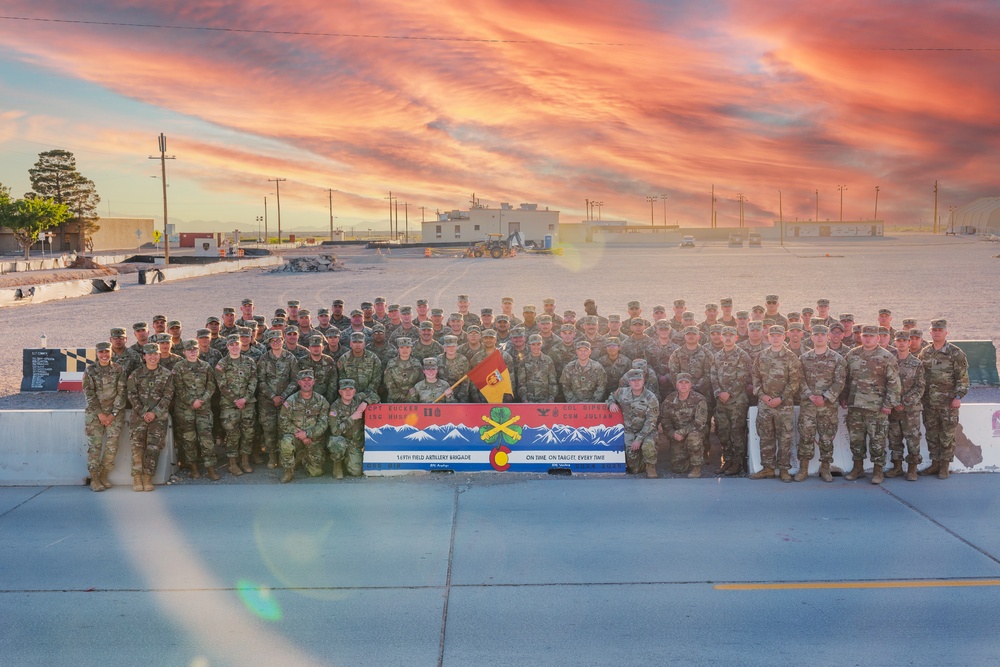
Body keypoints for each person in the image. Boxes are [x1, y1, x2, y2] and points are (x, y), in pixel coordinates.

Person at [842, 325, 901, 484]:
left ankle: (878, 471)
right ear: (861, 336)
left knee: (877, 441)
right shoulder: (852, 355)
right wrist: (844, 397)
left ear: (878, 338)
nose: (867, 338)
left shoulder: (886, 357)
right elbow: (846, 379)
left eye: (871, 336)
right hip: (855, 407)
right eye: (865, 335)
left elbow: (894, 384)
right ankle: (858, 468)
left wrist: (888, 404)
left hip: (877, 408)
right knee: (856, 440)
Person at [917, 319, 969, 479]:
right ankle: (935, 464)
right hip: (929, 402)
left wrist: (958, 396)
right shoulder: (925, 352)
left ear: (946, 333)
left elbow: (963, 378)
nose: (937, 332)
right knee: (932, 434)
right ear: (931, 333)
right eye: (934, 330)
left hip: (948, 403)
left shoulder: (956, 353)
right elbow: (919, 377)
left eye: (940, 330)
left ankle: (945, 466)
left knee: (947, 435)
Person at [750, 325, 802, 482]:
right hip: (765, 404)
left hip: (784, 405)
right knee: (766, 437)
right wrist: (762, 395)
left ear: (783, 337)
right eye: (773, 335)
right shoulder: (761, 356)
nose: (776, 338)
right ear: (768, 337)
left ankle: (784, 469)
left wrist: (781, 398)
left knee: (785, 437)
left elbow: (794, 382)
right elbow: (755, 377)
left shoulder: (791, 357)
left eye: (779, 335)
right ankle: (768, 468)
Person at [795, 325, 847, 482]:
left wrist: (824, 397)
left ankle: (825, 468)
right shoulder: (803, 358)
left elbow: (840, 382)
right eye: (816, 335)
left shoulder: (837, 359)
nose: (819, 337)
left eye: (822, 335)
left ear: (828, 337)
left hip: (828, 407)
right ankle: (803, 469)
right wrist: (810, 396)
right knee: (806, 436)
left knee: (826, 438)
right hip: (808, 406)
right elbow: (799, 379)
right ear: (811, 337)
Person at [127, 342, 175, 491]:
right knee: (137, 447)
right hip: (138, 417)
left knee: (154, 447)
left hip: (158, 417)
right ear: (144, 356)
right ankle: (136, 478)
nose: (153, 357)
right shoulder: (135, 374)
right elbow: (131, 394)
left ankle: (148, 478)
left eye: (156, 354)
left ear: (159, 355)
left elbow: (168, 396)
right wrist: (143, 412)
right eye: (149, 354)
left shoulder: (167, 374)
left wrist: (154, 412)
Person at [172, 340, 220, 480]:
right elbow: (178, 388)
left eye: (195, 349)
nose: (192, 351)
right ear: (184, 352)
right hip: (185, 410)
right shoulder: (178, 367)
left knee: (206, 439)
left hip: (203, 409)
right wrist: (191, 401)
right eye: (189, 349)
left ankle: (210, 468)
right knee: (189, 439)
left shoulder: (205, 366)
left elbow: (211, 385)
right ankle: (194, 468)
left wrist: (202, 400)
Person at [83, 341, 127, 491]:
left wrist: (113, 414)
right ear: (97, 353)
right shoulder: (91, 370)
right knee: (95, 446)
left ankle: (103, 474)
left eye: (107, 352)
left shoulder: (118, 369)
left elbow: (122, 393)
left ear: (111, 353)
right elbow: (89, 394)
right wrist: (100, 414)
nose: (104, 355)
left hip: (114, 413)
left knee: (112, 446)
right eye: (101, 352)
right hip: (95, 414)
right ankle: (94, 478)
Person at [710, 326, 751, 476]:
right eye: (725, 335)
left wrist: (730, 393)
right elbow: (713, 375)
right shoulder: (717, 356)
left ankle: (737, 463)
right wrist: (718, 392)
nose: (727, 338)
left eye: (731, 335)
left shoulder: (742, 355)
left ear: (736, 338)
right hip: (721, 401)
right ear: (721, 338)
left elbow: (743, 377)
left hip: (737, 402)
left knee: (736, 433)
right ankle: (726, 460)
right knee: (723, 432)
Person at [216, 333, 258, 477]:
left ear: (241, 345)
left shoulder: (249, 361)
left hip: (247, 404)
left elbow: (253, 381)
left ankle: (245, 461)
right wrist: (235, 399)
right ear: (227, 346)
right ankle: (232, 463)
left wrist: (245, 399)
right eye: (231, 344)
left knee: (248, 433)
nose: (234, 347)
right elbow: (221, 385)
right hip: (229, 405)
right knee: (232, 434)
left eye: (237, 344)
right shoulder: (222, 363)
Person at [256, 329, 300, 468]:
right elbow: (261, 381)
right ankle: (272, 456)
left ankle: (283, 456)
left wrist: (283, 396)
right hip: (267, 401)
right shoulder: (264, 359)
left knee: (284, 429)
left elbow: (294, 380)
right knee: (269, 430)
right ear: (269, 343)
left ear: (283, 341)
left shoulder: (290, 358)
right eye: (273, 341)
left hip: (285, 401)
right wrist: (272, 396)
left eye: (278, 340)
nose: (276, 343)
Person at [277, 370, 330, 483]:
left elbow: (324, 423)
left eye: (309, 380)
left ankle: (303, 458)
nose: (307, 383)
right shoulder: (290, 401)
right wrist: (301, 435)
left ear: (314, 382)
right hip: (295, 436)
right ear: (299, 382)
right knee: (286, 442)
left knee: (316, 472)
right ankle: (288, 471)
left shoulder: (321, 401)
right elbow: (283, 421)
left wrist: (308, 434)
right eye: (303, 380)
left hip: (313, 438)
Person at [888, 330, 926, 481]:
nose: (902, 343)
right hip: (893, 408)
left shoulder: (917, 363)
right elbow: (885, 384)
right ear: (895, 342)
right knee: (894, 439)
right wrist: (894, 402)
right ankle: (897, 467)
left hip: (910, 410)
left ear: (910, 343)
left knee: (913, 439)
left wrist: (905, 402)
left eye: (905, 340)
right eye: (899, 340)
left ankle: (912, 469)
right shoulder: (889, 361)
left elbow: (920, 387)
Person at [608, 369, 660, 477]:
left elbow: (651, 421)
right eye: (633, 380)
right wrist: (611, 403)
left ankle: (650, 467)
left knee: (648, 445)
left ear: (643, 381)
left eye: (639, 380)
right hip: (630, 431)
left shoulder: (651, 397)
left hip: (647, 431)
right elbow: (611, 396)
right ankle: (641, 460)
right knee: (634, 469)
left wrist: (639, 439)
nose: (636, 382)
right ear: (629, 382)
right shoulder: (622, 392)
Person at [659, 373, 709, 477]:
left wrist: (682, 432)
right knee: (678, 468)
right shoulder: (669, 400)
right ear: (676, 385)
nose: (683, 385)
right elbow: (665, 420)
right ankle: (687, 454)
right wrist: (672, 433)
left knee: (693, 438)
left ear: (691, 385)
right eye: (680, 382)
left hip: (695, 431)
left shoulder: (699, 399)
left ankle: (696, 467)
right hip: (677, 435)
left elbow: (700, 422)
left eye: (686, 382)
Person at [327, 378, 368, 479]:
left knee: (356, 472)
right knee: (337, 442)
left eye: (351, 389)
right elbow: (335, 431)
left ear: (354, 391)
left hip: (355, 443)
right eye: (345, 390)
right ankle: (337, 464)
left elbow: (375, 395)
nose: (348, 392)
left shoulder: (358, 399)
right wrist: (352, 418)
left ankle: (348, 459)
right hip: (341, 440)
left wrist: (366, 402)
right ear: (340, 392)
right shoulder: (335, 407)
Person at [337, 332, 383, 404]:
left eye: (360, 342)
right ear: (350, 344)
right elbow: (343, 380)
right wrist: (353, 395)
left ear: (364, 344)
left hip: (370, 395)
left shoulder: (373, 358)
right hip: (350, 396)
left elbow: (376, 379)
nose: (357, 345)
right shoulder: (343, 359)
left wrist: (364, 394)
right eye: (354, 342)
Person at [519, 334, 558, 403]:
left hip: (545, 400)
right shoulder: (524, 361)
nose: (536, 347)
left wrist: (552, 397)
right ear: (529, 345)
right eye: (533, 344)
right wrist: (524, 399)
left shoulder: (548, 360)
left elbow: (552, 380)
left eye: (538, 344)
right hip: (529, 400)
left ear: (541, 344)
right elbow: (521, 382)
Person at [384, 337, 423, 402]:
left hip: (412, 400)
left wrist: (410, 396)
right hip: (394, 400)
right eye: (402, 348)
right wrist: (401, 397)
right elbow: (389, 383)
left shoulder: (417, 363)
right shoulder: (391, 363)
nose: (404, 350)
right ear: (398, 349)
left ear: (411, 349)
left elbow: (420, 383)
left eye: (407, 347)